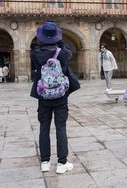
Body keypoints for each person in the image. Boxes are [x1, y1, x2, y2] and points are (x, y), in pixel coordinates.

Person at [30, 21, 75, 174]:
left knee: (44, 128)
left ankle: (45, 162)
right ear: (56, 36)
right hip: (61, 95)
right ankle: (62, 163)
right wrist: (59, 41)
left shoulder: (36, 52)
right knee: (61, 128)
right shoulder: (62, 52)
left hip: (43, 95)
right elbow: (68, 52)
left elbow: (36, 63)